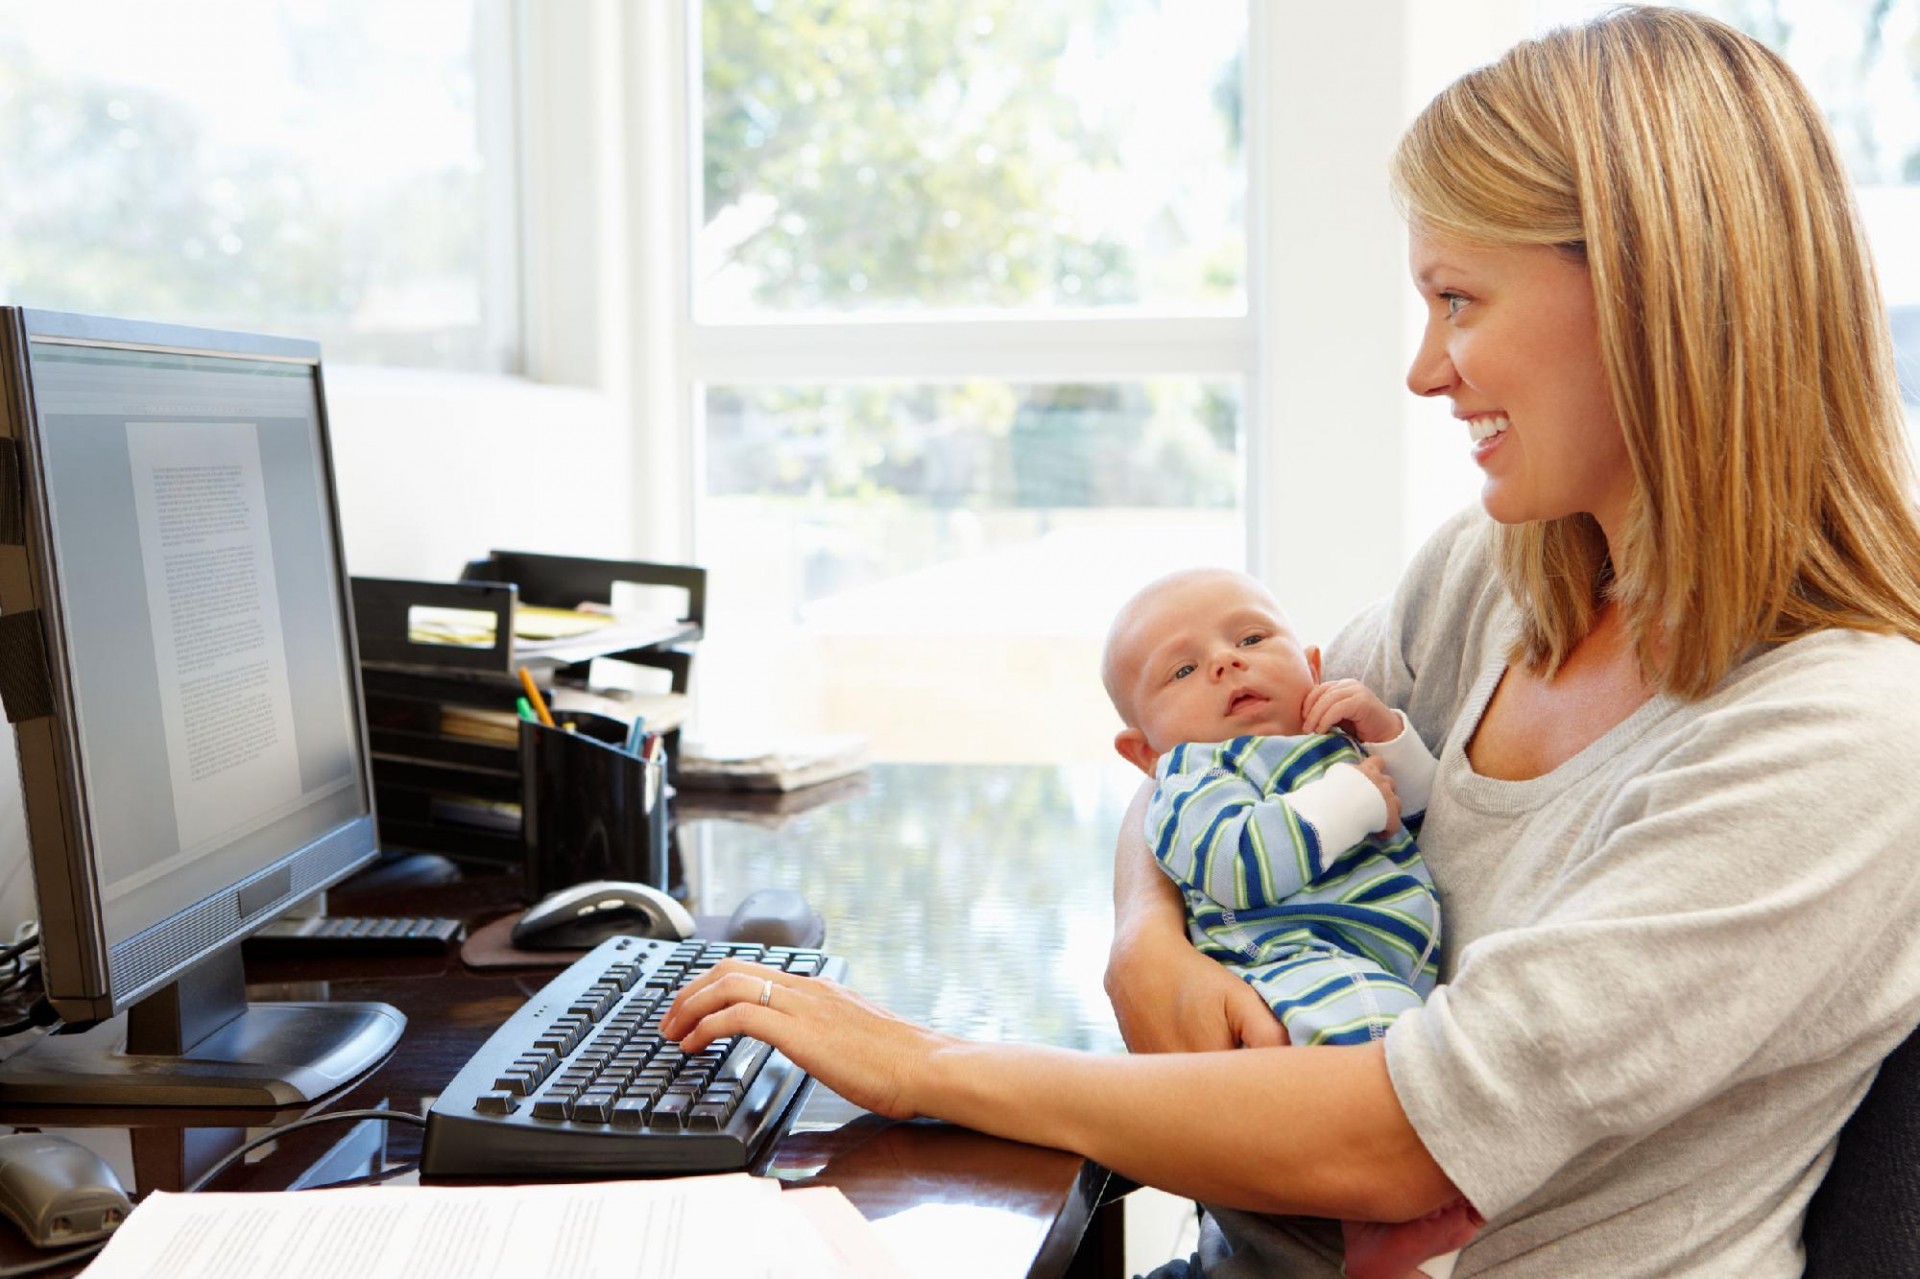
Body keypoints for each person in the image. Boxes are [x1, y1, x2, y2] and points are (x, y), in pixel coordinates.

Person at [663, 9, 1920, 1274]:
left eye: (1457, 299)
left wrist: (926, 1066)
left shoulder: (1845, 733)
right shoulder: (1490, 581)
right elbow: (1212, 744)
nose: (1427, 368)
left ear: (1656, 298)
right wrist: (1142, 928)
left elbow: (1399, 1142)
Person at [1103, 566, 1478, 1279]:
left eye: (1250, 636)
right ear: (1143, 752)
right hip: (1293, 973)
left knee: (1419, 1091)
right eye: (1183, 669)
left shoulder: (1329, 742)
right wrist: (1354, 797)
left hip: (1367, 968)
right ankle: (1384, 1235)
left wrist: (1387, 734)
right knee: (1388, 1088)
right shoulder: (1194, 777)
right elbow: (1234, 860)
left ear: (1310, 665)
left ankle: (1373, 1239)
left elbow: (1437, 817)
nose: (1225, 660)